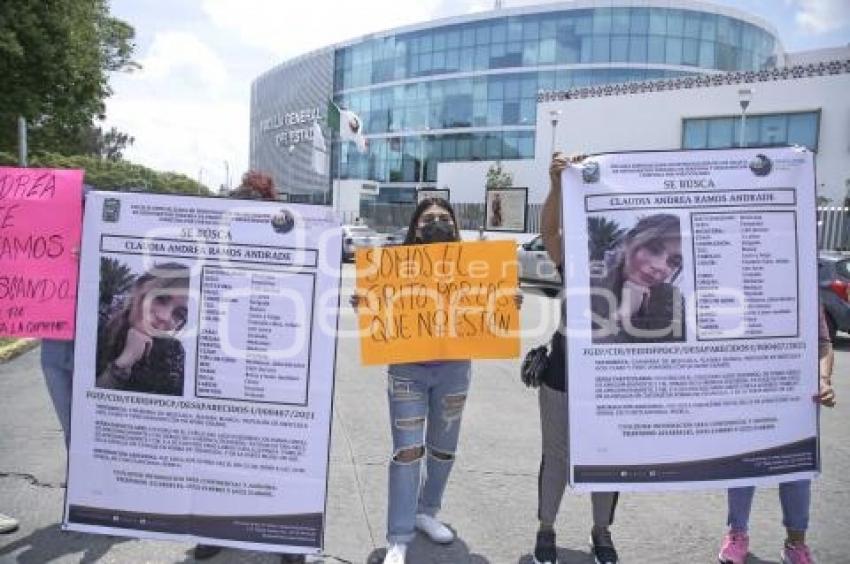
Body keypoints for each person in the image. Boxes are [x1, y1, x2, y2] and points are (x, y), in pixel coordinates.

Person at [352, 197, 521, 564]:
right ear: (415, 228)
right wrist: (365, 302)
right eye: (427, 219)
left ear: (455, 225)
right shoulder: (393, 266)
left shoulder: (475, 265)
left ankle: (426, 511)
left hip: (454, 370)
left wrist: (508, 301)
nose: (435, 223)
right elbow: (379, 307)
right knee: (408, 451)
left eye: (443, 218)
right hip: (406, 372)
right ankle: (399, 536)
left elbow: (490, 305)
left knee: (443, 449)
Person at [534, 152, 620, 564]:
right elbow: (550, 233)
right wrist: (554, 185)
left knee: (609, 454)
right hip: (564, 371)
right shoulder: (582, 257)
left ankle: (601, 532)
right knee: (556, 454)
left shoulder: (650, 274)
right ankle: (546, 529)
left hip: (619, 377)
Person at [718, 304, 837, 564]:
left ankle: (796, 544)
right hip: (745, 392)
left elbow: (824, 344)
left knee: (797, 472)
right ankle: (737, 534)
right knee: (742, 465)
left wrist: (824, 379)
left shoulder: (804, 286)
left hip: (795, 395)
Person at [95, 262, 190, 396]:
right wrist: (121, 365)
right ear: (138, 289)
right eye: (160, 298)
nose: (164, 316)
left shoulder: (175, 358)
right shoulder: (96, 330)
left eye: (179, 314)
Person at [589, 213, 685, 343]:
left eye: (674, 262)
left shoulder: (670, 299)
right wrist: (623, 315)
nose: (660, 266)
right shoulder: (588, 284)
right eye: (654, 249)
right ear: (630, 240)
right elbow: (580, 352)